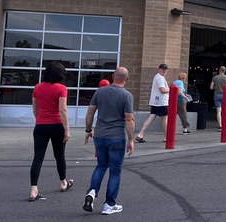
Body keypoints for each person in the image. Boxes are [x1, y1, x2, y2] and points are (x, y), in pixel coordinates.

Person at [83, 66, 134, 215]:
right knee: (115, 171)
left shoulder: (99, 92)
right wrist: (131, 139)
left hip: (100, 135)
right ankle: (109, 205)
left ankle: (92, 192)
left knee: (101, 166)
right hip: (116, 137)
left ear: (112, 76)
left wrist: (88, 130)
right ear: (127, 79)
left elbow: (90, 112)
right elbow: (129, 119)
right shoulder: (127, 95)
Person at [29, 62, 73, 201]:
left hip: (41, 126)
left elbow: (35, 109)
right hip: (57, 125)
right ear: (60, 74)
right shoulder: (61, 88)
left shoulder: (37, 87)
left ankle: (33, 189)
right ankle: (63, 183)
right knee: (59, 156)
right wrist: (67, 129)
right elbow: (62, 110)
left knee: (38, 157)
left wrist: (40, 119)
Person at [135, 63, 170, 143]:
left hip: (155, 101)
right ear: (159, 69)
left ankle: (140, 134)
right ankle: (166, 137)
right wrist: (172, 89)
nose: (164, 71)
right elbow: (162, 90)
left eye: (165, 69)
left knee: (151, 117)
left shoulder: (157, 77)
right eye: (162, 69)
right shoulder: (160, 78)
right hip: (162, 102)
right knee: (164, 118)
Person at [210, 66, 226, 131]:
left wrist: (215, 88)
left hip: (217, 94)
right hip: (225, 95)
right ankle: (225, 125)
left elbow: (211, 87)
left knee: (218, 111)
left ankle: (220, 126)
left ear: (219, 70)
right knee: (225, 111)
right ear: (224, 71)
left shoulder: (215, 77)